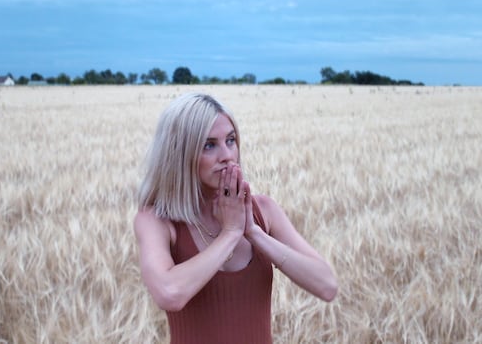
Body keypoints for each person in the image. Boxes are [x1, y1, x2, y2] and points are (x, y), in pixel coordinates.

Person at [134, 92, 337, 343]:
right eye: (209, 145)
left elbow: (327, 286)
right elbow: (169, 294)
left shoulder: (264, 211)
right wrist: (230, 233)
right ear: (180, 154)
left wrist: (253, 232)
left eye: (231, 140)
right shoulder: (155, 221)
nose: (227, 155)